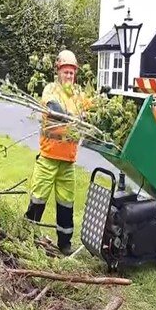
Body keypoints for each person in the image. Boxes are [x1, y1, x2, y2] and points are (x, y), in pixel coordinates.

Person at [24, 50, 91, 256]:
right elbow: (53, 109)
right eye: (66, 72)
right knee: (38, 198)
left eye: (72, 73)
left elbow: (91, 113)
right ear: (58, 71)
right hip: (48, 158)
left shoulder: (79, 95)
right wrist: (72, 117)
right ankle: (28, 235)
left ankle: (65, 243)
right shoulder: (50, 90)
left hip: (68, 161)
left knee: (66, 202)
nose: (69, 76)